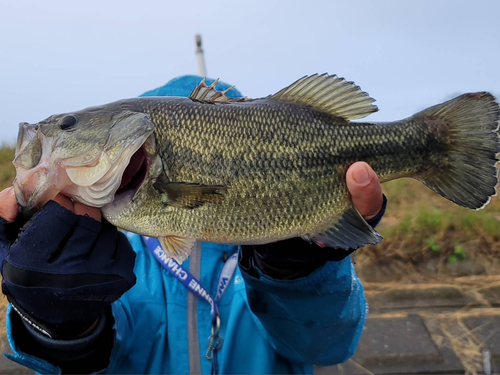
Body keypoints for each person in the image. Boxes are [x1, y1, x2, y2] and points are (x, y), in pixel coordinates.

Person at [0, 76, 386, 374]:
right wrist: (58, 325)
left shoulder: (138, 226)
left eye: (68, 125)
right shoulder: (110, 254)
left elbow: (325, 348)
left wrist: (297, 271)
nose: (51, 132)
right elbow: (106, 357)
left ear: (137, 139)